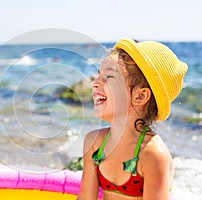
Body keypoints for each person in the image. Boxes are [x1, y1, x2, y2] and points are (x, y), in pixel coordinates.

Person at [77, 38, 188, 200]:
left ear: (140, 96)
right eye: (98, 75)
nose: (94, 83)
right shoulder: (94, 143)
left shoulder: (152, 154)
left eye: (109, 77)